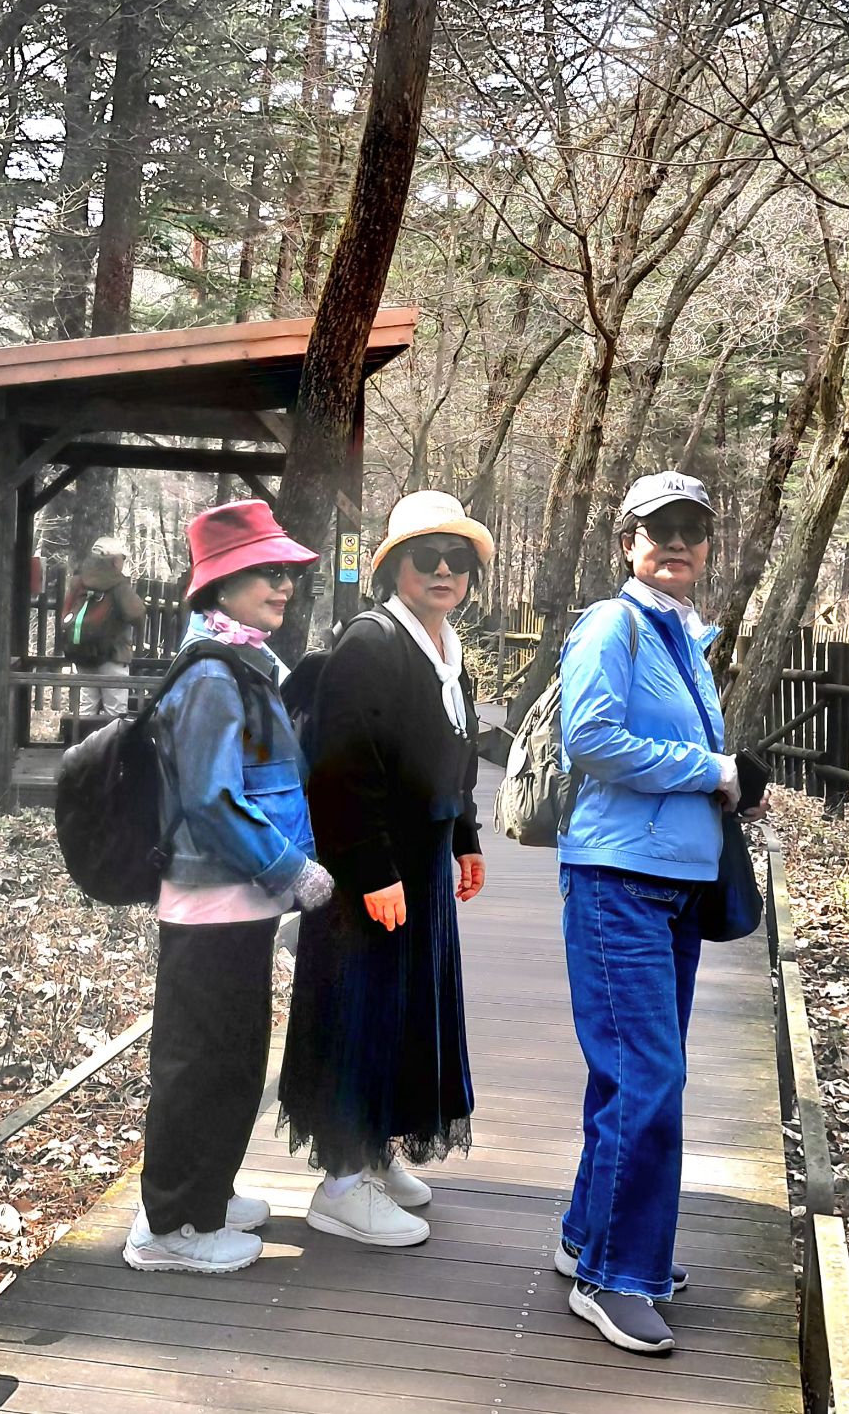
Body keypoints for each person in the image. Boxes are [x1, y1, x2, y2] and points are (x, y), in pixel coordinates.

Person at [555, 470, 768, 1356]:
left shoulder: (683, 635)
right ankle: (617, 1276)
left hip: (671, 883)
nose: (676, 541)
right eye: (658, 527)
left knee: (629, 1074)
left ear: (708, 544)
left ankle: (588, 1237)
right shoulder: (614, 624)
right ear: (627, 541)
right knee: (650, 1077)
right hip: (619, 879)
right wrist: (712, 770)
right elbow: (590, 737)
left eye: (692, 527)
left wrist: (731, 779)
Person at [277, 489, 493, 1248]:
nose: (443, 570)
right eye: (425, 556)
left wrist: (465, 836)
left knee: (406, 1008)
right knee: (361, 1011)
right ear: (394, 567)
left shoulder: (446, 650)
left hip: (421, 860)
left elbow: (453, 758)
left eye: (457, 558)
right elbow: (343, 771)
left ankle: (375, 1150)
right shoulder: (371, 644)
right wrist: (372, 870)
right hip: (368, 866)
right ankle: (341, 1181)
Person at [124, 499, 334, 1276]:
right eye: (265, 571)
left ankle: (206, 1189)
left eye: (284, 571)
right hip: (213, 899)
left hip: (235, 900)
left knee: (234, 1054)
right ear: (220, 583)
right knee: (201, 1059)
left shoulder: (241, 661)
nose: (283, 584)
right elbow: (213, 800)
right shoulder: (213, 673)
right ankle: (170, 1223)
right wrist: (290, 869)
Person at [63, 536, 146, 716]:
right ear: (114, 560)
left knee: (86, 708)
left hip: (83, 654)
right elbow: (137, 614)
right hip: (113, 654)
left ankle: (84, 735)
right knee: (115, 713)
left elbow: (66, 612)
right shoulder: (118, 584)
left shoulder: (79, 581)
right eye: (122, 558)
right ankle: (109, 737)